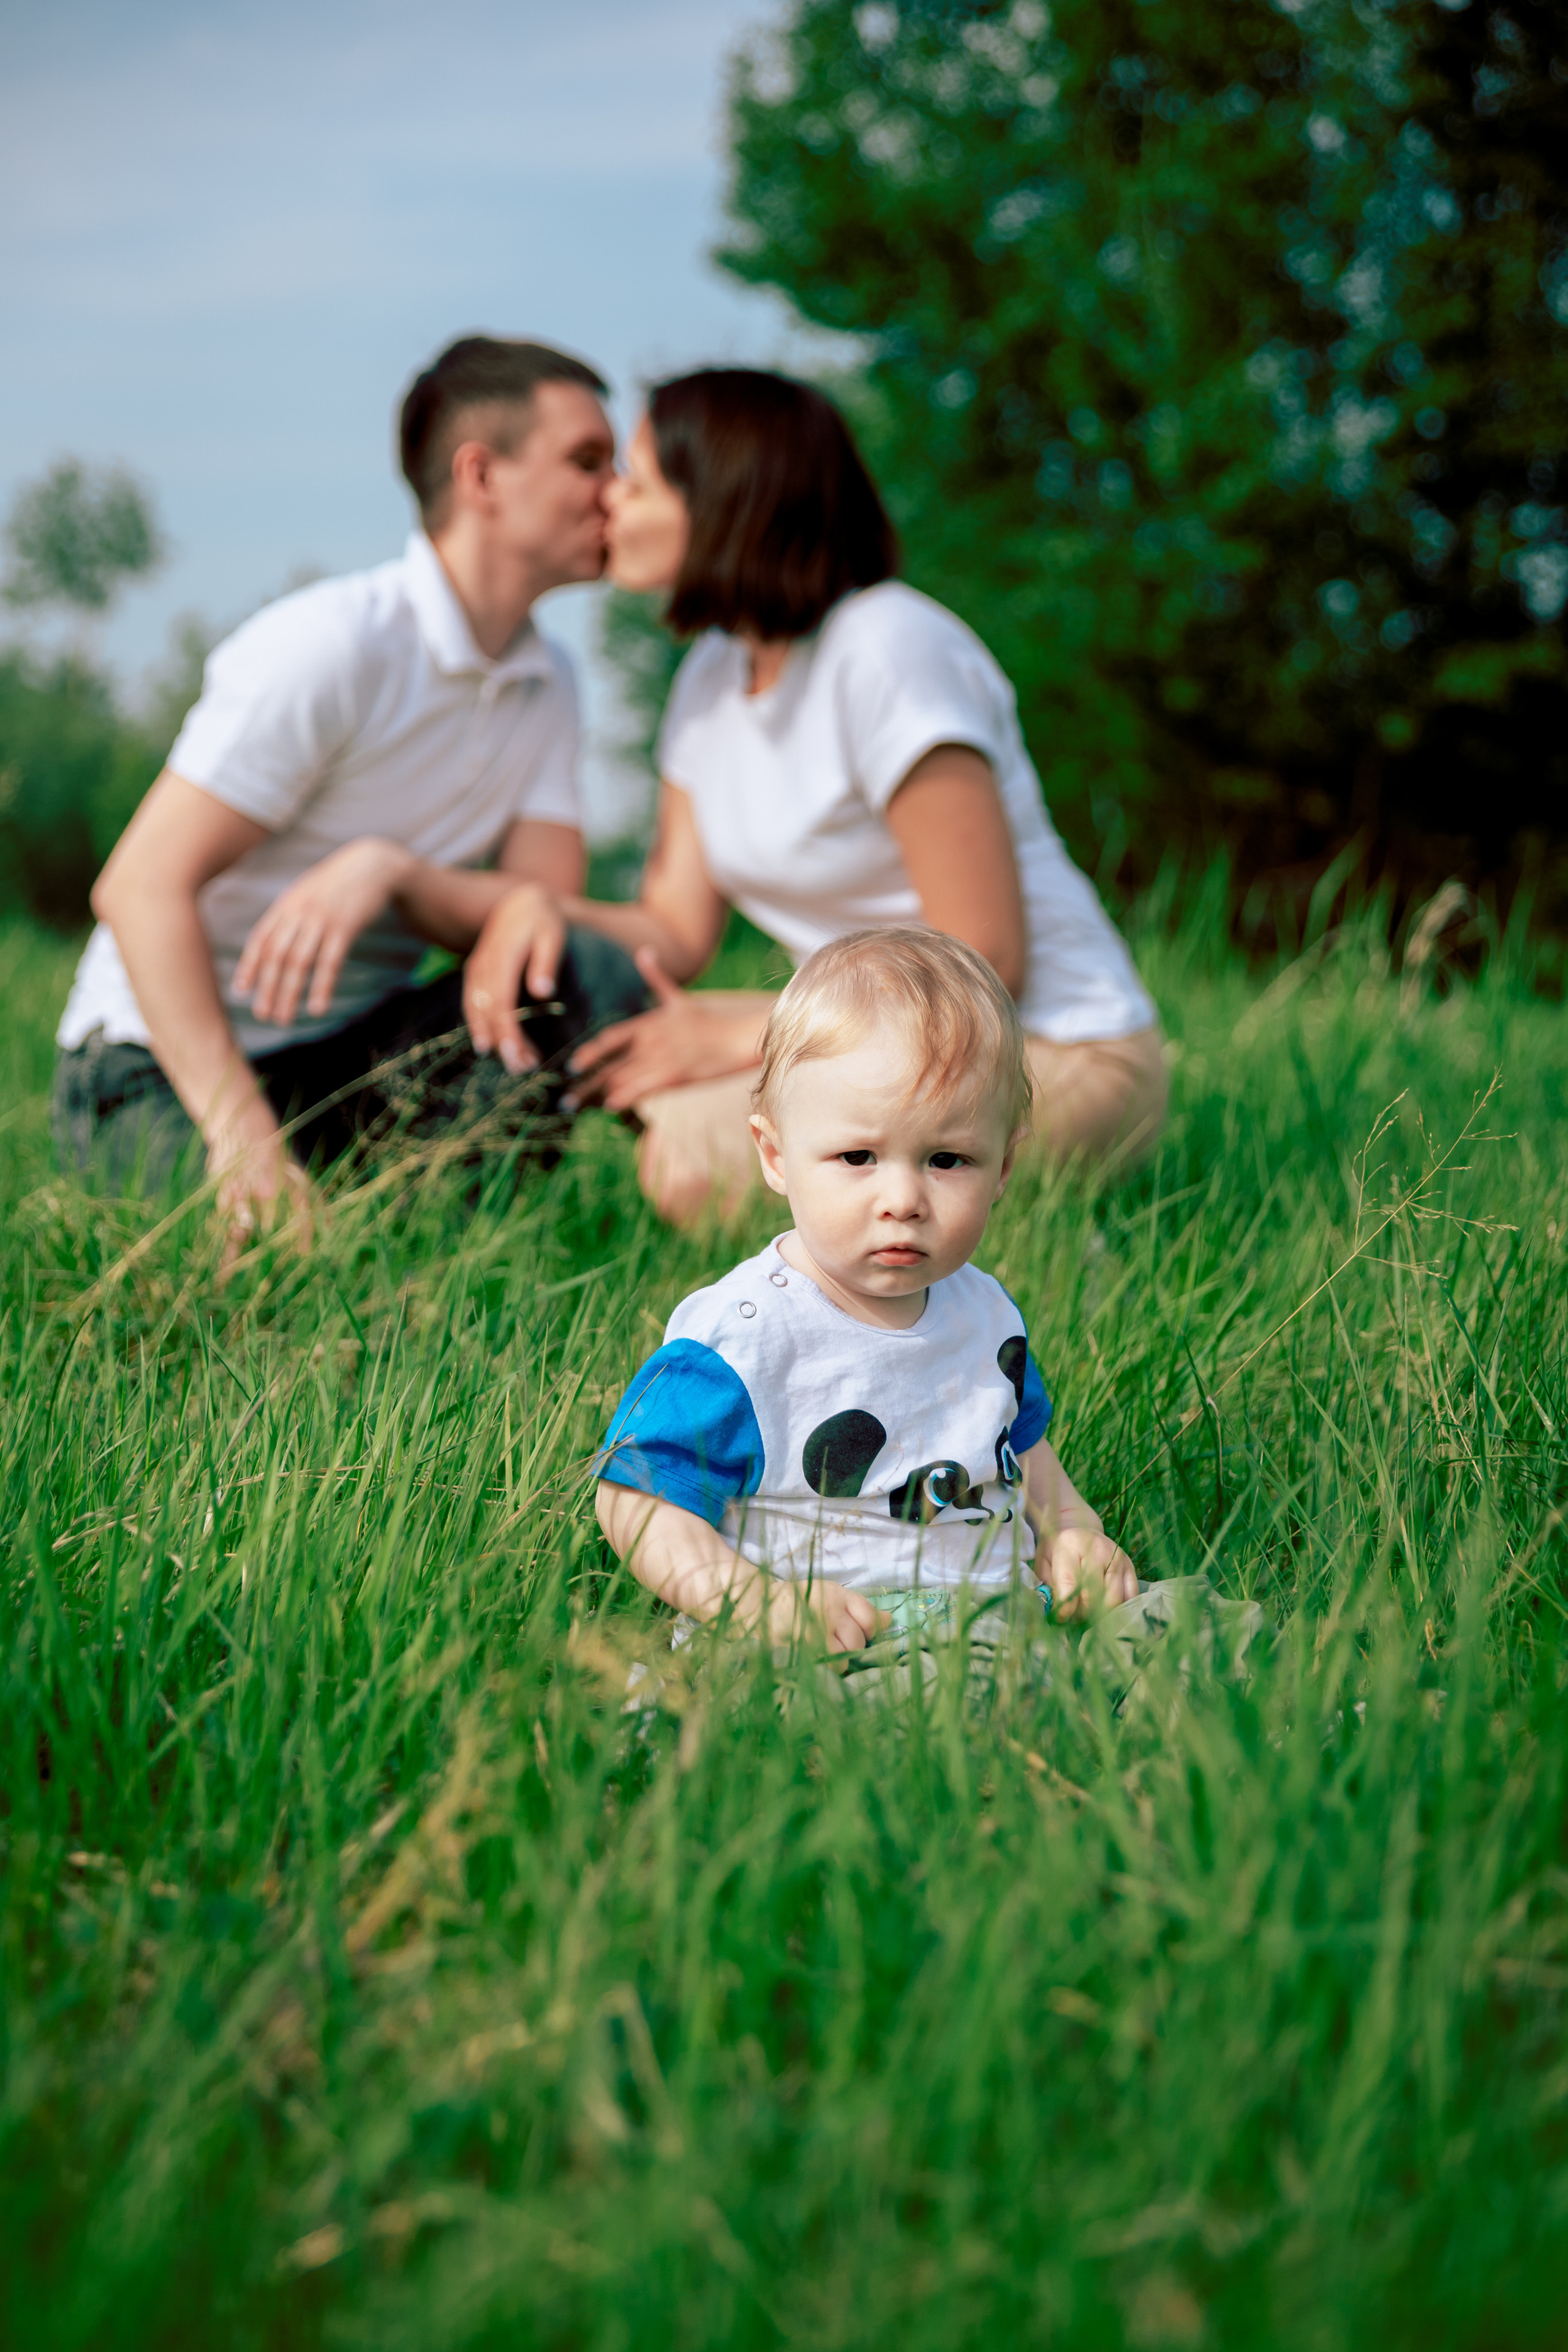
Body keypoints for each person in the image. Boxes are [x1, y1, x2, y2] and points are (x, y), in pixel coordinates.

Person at [462, 368, 1167, 1226]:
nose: (608, 498)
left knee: (695, 1152)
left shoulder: (886, 648)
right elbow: (674, 927)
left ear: (726, 500)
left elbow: (985, 958)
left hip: (1048, 1047)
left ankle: (1019, 1258)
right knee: (671, 1104)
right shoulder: (710, 678)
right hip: (887, 1045)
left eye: (637, 482)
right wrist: (535, 907)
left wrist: (750, 1030)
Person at [52, 334, 648, 1234]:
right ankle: (305, 1200)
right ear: (482, 476)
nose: (619, 491)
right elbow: (137, 888)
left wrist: (391, 871)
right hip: (162, 1066)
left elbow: (533, 913)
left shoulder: (551, 681)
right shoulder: (332, 644)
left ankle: (457, 1253)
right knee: (250, 1266)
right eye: (588, 460)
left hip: (346, 1056)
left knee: (574, 969)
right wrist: (243, 1137)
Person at [592, 929, 1140, 1666]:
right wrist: (748, 1600)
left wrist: (1073, 1531)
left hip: (1001, 1621)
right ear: (775, 1155)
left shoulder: (983, 1315)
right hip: (827, 1648)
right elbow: (635, 1497)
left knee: (1189, 1631)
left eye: (947, 1159)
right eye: (858, 1157)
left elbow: (1022, 1450)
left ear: (1004, 1168)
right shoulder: (746, 1339)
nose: (903, 1199)